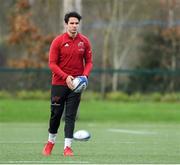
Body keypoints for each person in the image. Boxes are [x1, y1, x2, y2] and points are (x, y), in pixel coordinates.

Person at [42, 11, 93, 157]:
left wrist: (84, 76)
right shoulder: (58, 41)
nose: (74, 26)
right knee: (56, 115)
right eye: (71, 23)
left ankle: (67, 148)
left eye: (76, 23)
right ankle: (50, 142)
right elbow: (52, 64)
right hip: (59, 84)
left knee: (70, 116)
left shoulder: (84, 41)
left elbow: (89, 62)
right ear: (66, 24)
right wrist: (66, 77)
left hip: (76, 86)